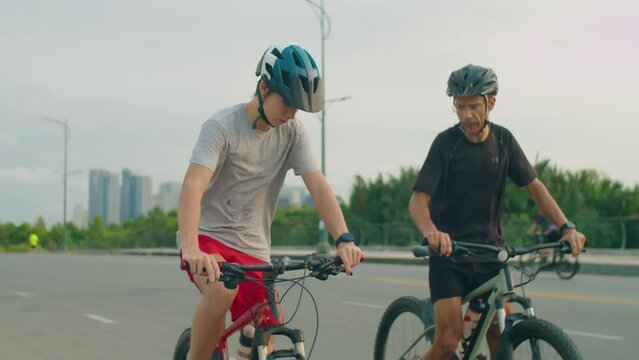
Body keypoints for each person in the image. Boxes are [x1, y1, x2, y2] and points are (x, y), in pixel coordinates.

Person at [177, 43, 362, 360]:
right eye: (288, 103)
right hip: (209, 240)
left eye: (298, 108)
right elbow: (193, 185)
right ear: (264, 88)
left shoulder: (292, 132)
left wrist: (343, 239)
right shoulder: (221, 127)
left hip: (254, 250)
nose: (291, 113)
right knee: (222, 291)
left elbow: (317, 186)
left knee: (269, 324)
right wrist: (192, 247)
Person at [408, 64, 586, 359]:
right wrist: (431, 232)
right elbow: (418, 200)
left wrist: (566, 226)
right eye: (460, 107)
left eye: (474, 106)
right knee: (447, 343)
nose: (466, 115)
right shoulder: (445, 144)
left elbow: (535, 189)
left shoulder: (503, 141)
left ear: (491, 103)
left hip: (492, 254)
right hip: (450, 256)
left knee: (499, 336)